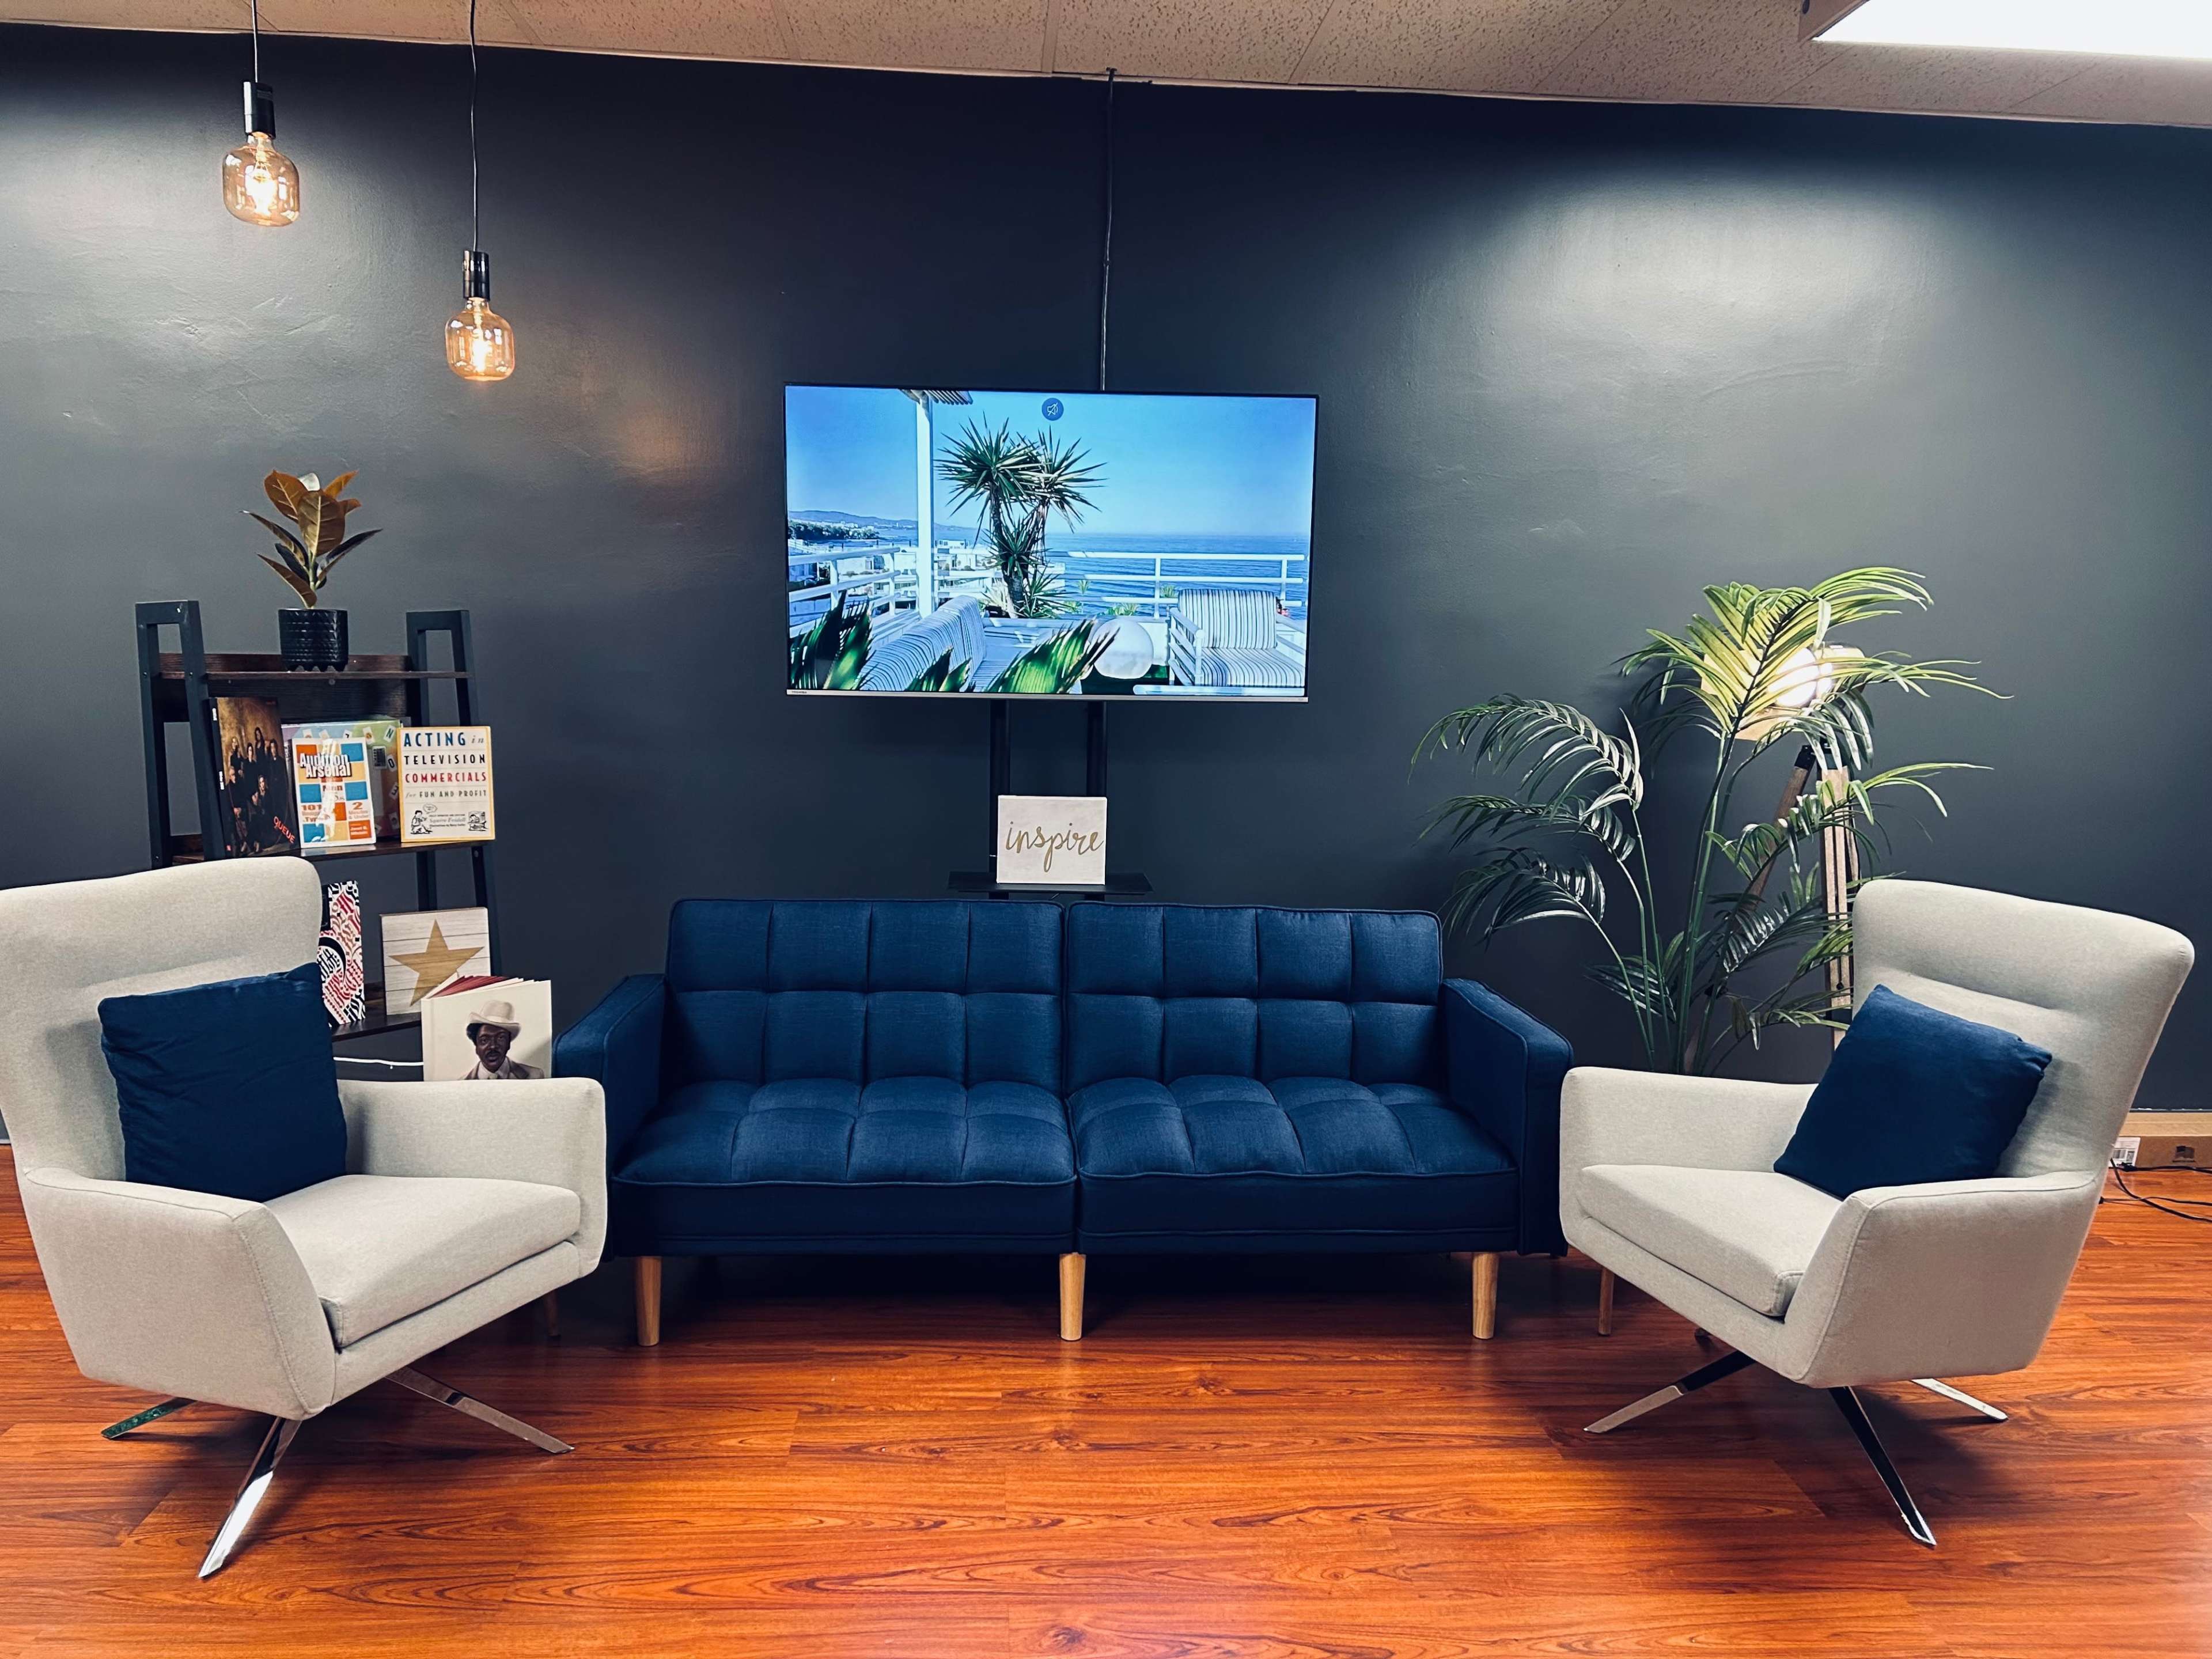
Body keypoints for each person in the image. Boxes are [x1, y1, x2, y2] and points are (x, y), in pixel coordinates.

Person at [461, 999, 541, 1080]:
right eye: (485, 1040)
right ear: (476, 1046)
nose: (493, 1046)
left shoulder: (534, 1076)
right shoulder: (461, 1084)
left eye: (501, 1038)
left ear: (508, 1044)